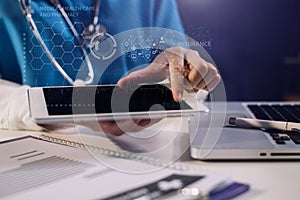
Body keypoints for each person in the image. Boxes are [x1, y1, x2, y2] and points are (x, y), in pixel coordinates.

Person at [0, 0, 220, 135]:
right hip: (41, 156)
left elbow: (187, 90)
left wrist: (186, 77)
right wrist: (78, 110)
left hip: (147, 151)